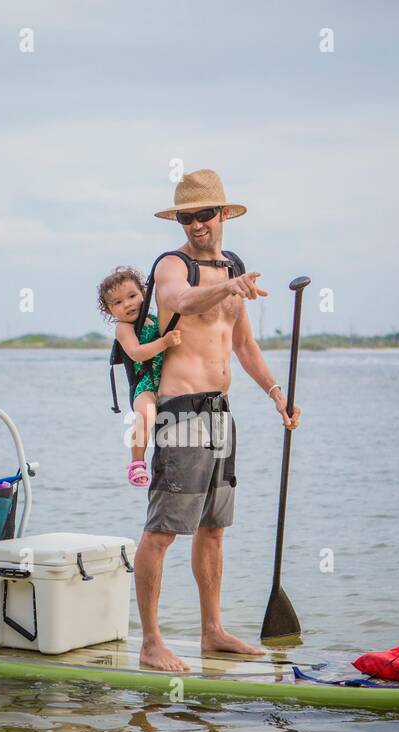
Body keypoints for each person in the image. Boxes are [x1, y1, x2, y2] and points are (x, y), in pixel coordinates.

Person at [133, 169, 301, 672]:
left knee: (213, 528)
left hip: (221, 415)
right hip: (180, 413)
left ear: (223, 214)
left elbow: (244, 344)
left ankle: (213, 632)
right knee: (162, 531)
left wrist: (276, 393)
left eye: (205, 214)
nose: (196, 224)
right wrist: (230, 284)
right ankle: (151, 642)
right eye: (187, 217)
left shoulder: (235, 268)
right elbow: (180, 303)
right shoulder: (172, 265)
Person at [97, 266, 182, 487]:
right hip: (145, 384)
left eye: (132, 296)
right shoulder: (124, 328)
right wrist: (164, 342)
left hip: (167, 379)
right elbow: (136, 353)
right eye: (117, 302)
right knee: (145, 415)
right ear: (109, 311)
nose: (128, 304)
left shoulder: (155, 319)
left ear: (144, 293)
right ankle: (137, 462)